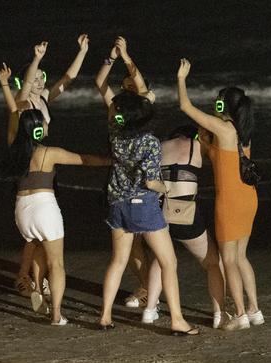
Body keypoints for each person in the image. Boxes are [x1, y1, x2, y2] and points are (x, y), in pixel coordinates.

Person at [96, 38, 198, 335]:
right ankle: (177, 320)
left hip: (117, 203)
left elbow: (114, 87)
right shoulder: (150, 142)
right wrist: (166, 189)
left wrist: (118, 57)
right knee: (169, 262)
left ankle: (104, 317)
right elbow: (150, 180)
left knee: (117, 261)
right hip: (143, 205)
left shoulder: (115, 131)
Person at [0, 107, 111, 326]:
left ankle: (39, 289)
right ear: (39, 129)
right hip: (44, 208)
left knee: (39, 245)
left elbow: (12, 118)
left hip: (22, 210)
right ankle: (57, 314)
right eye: (44, 123)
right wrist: (112, 161)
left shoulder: (15, 149)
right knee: (57, 263)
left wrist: (8, 90)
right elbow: (84, 160)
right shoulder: (49, 153)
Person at [177, 58, 263, 330]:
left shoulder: (222, 129)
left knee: (228, 260)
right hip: (249, 198)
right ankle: (254, 310)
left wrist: (181, 79)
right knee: (241, 257)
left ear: (223, 105)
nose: (215, 103)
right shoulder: (241, 132)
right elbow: (213, 152)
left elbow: (185, 106)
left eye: (218, 100)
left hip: (229, 203)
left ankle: (239, 315)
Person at [7, 35, 90, 297]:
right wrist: (37, 58)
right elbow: (27, 82)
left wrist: (82, 52)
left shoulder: (42, 98)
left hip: (44, 159)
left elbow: (68, 79)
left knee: (40, 233)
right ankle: (26, 277)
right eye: (36, 77)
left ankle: (33, 277)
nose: (41, 81)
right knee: (35, 233)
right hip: (26, 161)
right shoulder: (21, 102)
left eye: (43, 77)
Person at [129, 125, 226, 328]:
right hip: (184, 211)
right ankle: (219, 314)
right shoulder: (196, 146)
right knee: (212, 263)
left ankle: (149, 310)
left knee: (161, 259)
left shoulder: (159, 146)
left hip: (157, 211)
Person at [94, 36, 155, 310]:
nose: (126, 87)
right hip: (119, 183)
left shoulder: (143, 106)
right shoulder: (117, 109)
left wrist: (128, 58)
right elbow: (99, 83)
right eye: (124, 85)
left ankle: (149, 290)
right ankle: (146, 287)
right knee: (131, 248)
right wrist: (111, 58)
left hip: (143, 181)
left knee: (145, 243)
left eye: (130, 85)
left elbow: (141, 86)